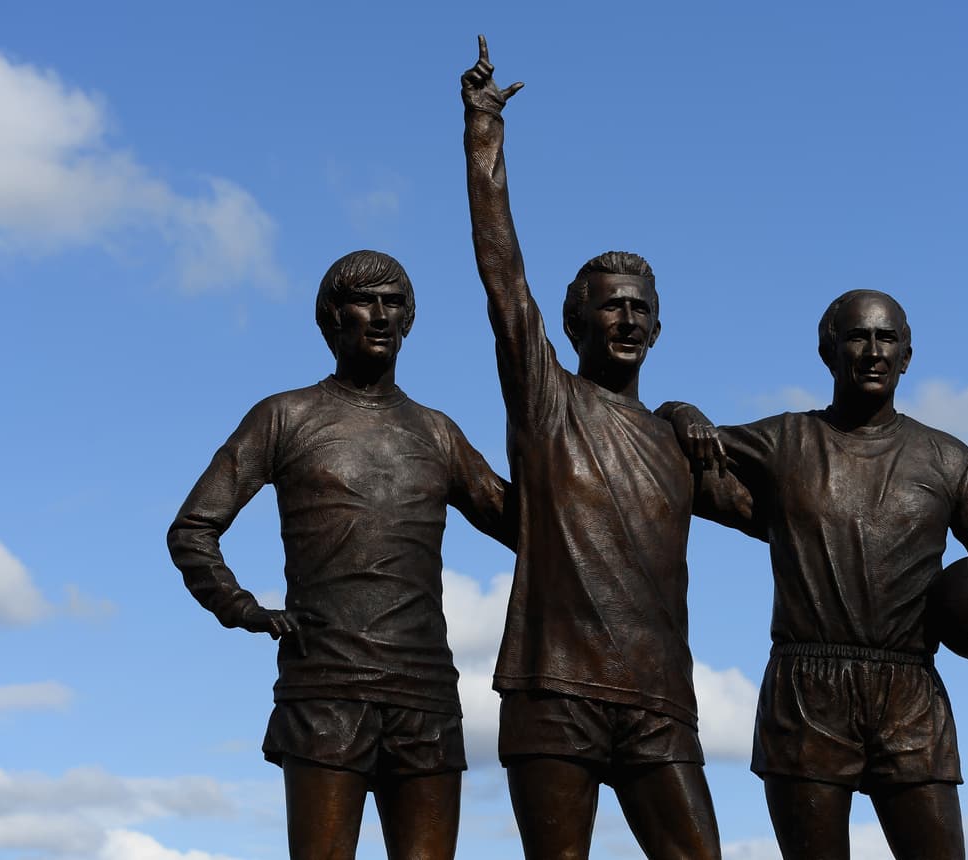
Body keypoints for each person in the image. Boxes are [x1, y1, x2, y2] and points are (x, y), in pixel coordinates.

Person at [460, 37, 755, 860]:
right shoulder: (547, 398)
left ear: (658, 328)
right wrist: (484, 134)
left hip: (660, 699)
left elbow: (789, 522)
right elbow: (501, 274)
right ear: (575, 322)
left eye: (640, 310)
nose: (626, 319)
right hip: (553, 689)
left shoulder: (676, 441)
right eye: (610, 308)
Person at [664, 289, 968, 859]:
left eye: (886, 338)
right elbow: (671, 453)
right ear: (828, 351)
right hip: (807, 690)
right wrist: (679, 410)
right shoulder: (785, 440)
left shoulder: (947, 458)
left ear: (906, 355)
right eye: (857, 337)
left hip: (910, 692)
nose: (873, 351)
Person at [166, 250, 514, 860]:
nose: (379, 315)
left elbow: (527, 528)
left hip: (426, 694)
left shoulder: (438, 433)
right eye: (364, 301)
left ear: (409, 320)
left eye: (394, 302)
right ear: (332, 317)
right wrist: (244, 608)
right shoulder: (284, 417)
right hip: (324, 690)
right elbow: (193, 529)